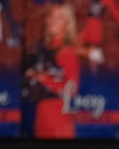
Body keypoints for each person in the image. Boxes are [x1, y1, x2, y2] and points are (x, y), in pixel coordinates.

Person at [25, 3, 80, 140]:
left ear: (67, 23)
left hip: (58, 117)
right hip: (42, 113)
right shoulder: (44, 49)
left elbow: (71, 90)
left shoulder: (66, 52)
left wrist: (44, 79)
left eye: (60, 17)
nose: (53, 21)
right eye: (51, 16)